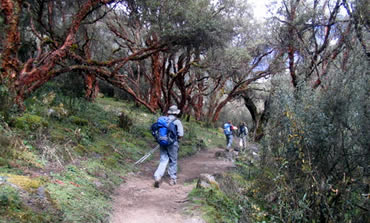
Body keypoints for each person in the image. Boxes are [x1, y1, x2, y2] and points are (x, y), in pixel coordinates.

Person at [154, 105, 184, 188]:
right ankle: (172, 179)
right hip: (173, 144)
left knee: (163, 159)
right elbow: (181, 134)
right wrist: (175, 139)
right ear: (176, 113)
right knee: (173, 160)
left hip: (163, 142)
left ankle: (158, 176)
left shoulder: (163, 120)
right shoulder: (177, 121)